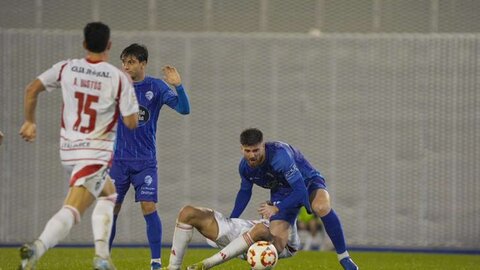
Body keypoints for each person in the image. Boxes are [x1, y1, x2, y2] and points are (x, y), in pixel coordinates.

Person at [18, 22, 139, 270]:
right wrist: (125, 100)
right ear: (110, 45)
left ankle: (102, 257)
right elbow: (131, 122)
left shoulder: (66, 68)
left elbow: (32, 89)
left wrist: (30, 121)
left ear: (84, 44)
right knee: (73, 208)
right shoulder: (117, 78)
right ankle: (36, 249)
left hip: (69, 152)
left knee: (109, 193)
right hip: (93, 154)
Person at [225, 128, 358, 270]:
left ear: (263, 146)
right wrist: (231, 221)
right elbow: (245, 192)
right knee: (276, 247)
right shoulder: (244, 167)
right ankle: (250, 257)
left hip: (307, 182)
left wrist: (276, 208)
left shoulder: (279, 156)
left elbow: (300, 191)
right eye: (247, 151)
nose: (252, 155)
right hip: (282, 192)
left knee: (321, 207)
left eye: (256, 150)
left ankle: (344, 257)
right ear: (241, 149)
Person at [108, 43, 190, 270]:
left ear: (143, 63)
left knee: (148, 206)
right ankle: (103, 259)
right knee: (111, 208)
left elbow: (184, 109)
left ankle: (155, 263)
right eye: (124, 62)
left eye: (131, 62)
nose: (126, 66)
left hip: (145, 162)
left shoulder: (156, 86)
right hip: (119, 161)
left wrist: (178, 86)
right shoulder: (116, 86)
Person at [161, 204, 300, 270]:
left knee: (260, 230)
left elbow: (292, 246)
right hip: (233, 230)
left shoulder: (285, 225)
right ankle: (173, 267)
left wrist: (283, 209)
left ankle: (206, 264)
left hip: (262, 241)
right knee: (187, 212)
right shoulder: (257, 221)